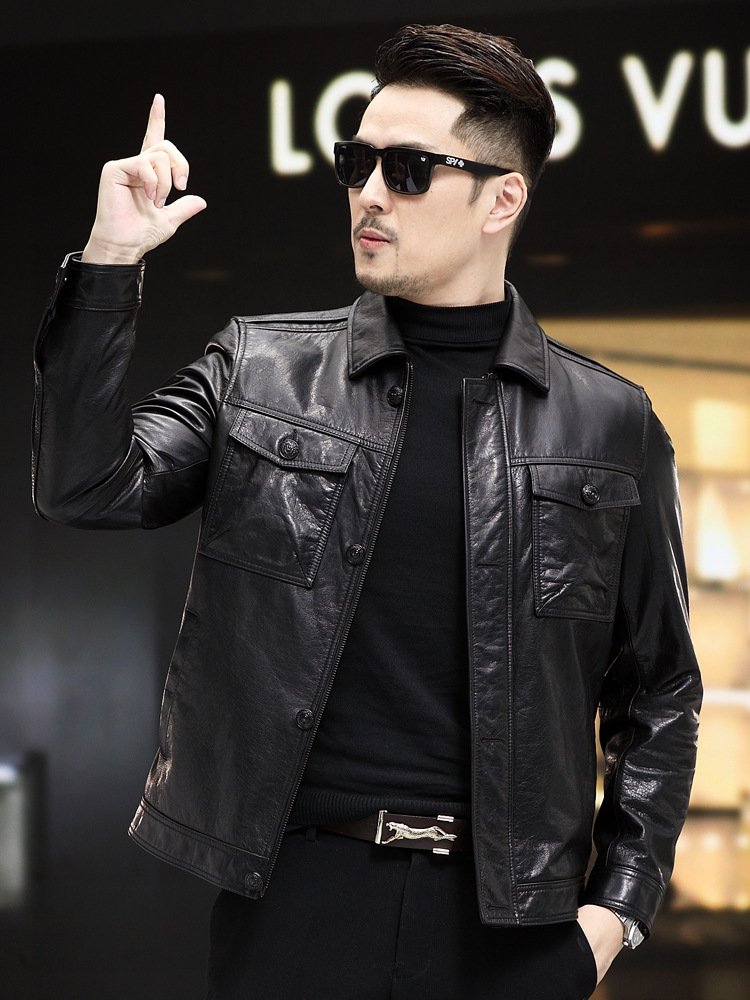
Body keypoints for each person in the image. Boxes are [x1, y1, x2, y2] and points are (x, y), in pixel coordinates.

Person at [32, 23, 701, 1000]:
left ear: (502, 199)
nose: (371, 193)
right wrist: (108, 262)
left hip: (510, 930)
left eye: (410, 169)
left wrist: (612, 919)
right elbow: (84, 484)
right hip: (297, 909)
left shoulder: (611, 424)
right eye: (358, 162)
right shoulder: (258, 369)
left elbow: (661, 691)